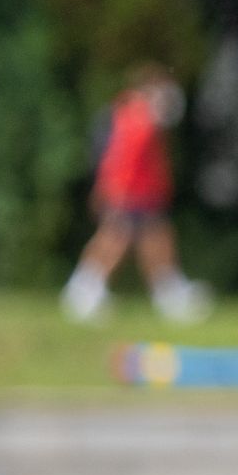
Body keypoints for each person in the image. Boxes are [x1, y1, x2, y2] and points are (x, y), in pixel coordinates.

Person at [60, 64, 211, 324]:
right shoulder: (137, 120)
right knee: (114, 240)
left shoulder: (138, 118)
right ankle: (83, 292)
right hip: (127, 195)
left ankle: (167, 293)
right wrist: (115, 194)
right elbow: (121, 161)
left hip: (141, 195)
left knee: (156, 241)